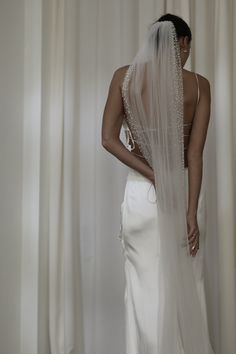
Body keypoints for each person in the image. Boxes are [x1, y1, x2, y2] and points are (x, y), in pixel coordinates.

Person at [101, 13, 214, 354]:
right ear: (181, 43)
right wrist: (190, 212)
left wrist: (152, 175)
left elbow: (108, 139)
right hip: (183, 193)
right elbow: (195, 155)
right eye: (187, 46)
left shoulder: (125, 77)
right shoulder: (198, 85)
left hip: (141, 194)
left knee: (143, 287)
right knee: (186, 287)